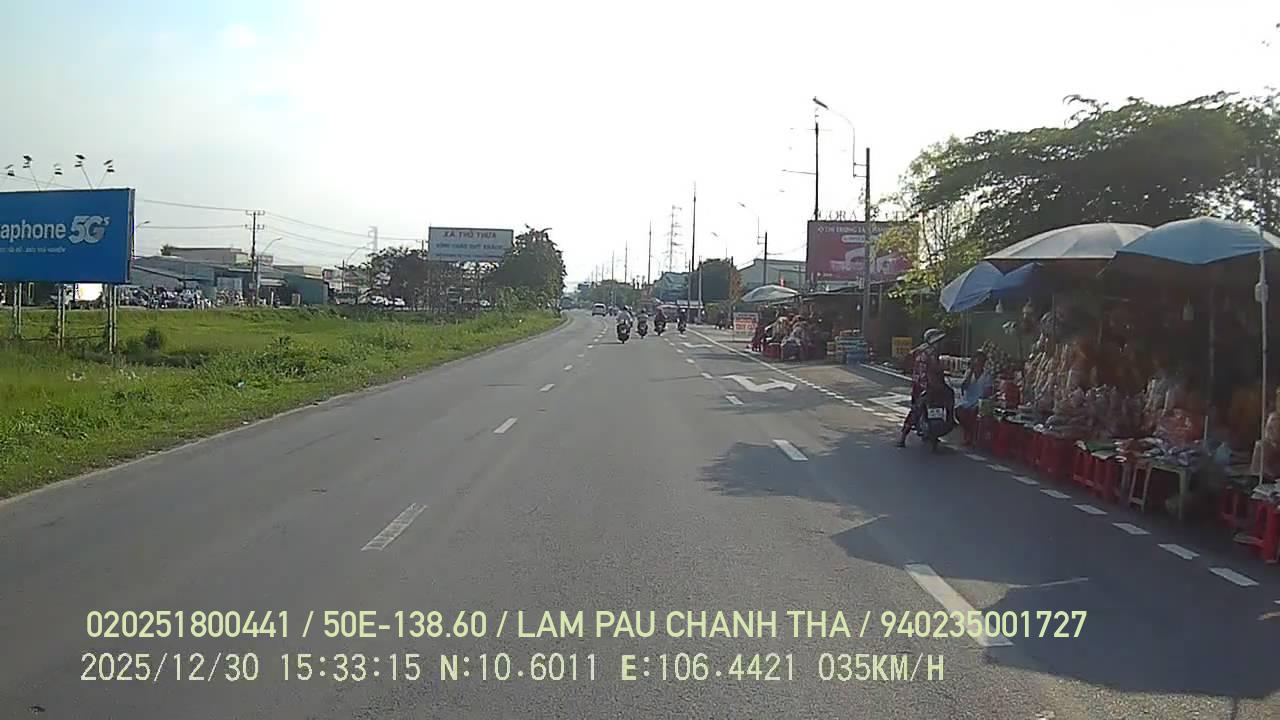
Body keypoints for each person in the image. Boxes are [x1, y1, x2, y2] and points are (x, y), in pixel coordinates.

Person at [897, 328, 947, 447]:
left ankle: (904, 436)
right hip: (929, 386)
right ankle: (904, 436)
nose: (941, 344)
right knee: (919, 409)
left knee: (916, 410)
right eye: (939, 341)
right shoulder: (931, 352)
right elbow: (935, 368)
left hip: (918, 385)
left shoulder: (918, 350)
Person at [955, 351, 994, 445]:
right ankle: (968, 432)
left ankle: (970, 436)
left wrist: (980, 402)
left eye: (980, 361)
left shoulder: (987, 376)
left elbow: (988, 393)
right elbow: (964, 387)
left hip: (979, 402)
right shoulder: (969, 373)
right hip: (967, 401)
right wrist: (970, 373)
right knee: (958, 412)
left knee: (974, 413)